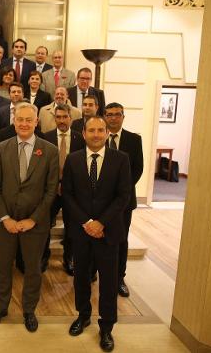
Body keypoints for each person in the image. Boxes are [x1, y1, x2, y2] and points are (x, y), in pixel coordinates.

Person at [62, 116, 132, 352]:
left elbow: (123, 196)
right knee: (81, 277)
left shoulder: (121, 159)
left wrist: (101, 222)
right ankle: (82, 316)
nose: (96, 134)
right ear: (83, 133)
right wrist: (86, 222)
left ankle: (107, 327)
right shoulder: (72, 160)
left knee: (109, 282)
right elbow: (68, 195)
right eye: (91, 130)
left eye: (100, 130)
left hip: (109, 232)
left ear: (106, 132)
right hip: (81, 232)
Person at [0, 102, 58, 332]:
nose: (24, 123)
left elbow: (50, 191)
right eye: (20, 119)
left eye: (29, 119)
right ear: (14, 121)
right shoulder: (2, 148)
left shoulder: (49, 150)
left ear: (36, 122)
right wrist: (5, 217)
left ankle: (29, 310)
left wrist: (33, 219)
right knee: (3, 266)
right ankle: (0, 307)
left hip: (35, 224)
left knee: (33, 269)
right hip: (5, 222)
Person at [104, 103, 143, 298]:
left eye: (117, 114)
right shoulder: (97, 137)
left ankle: (119, 277)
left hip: (124, 201)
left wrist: (121, 192)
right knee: (98, 237)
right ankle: (97, 273)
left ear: (123, 116)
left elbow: (138, 169)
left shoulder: (134, 140)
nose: (113, 118)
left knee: (121, 239)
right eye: (109, 115)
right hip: (99, 200)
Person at [44, 104, 85, 275]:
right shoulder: (46, 137)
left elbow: (83, 166)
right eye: (58, 117)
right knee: (45, 224)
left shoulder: (80, 139)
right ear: (54, 118)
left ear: (70, 118)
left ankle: (69, 259)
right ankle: (43, 257)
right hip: (51, 190)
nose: (61, 120)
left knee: (72, 227)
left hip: (72, 191)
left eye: (64, 117)